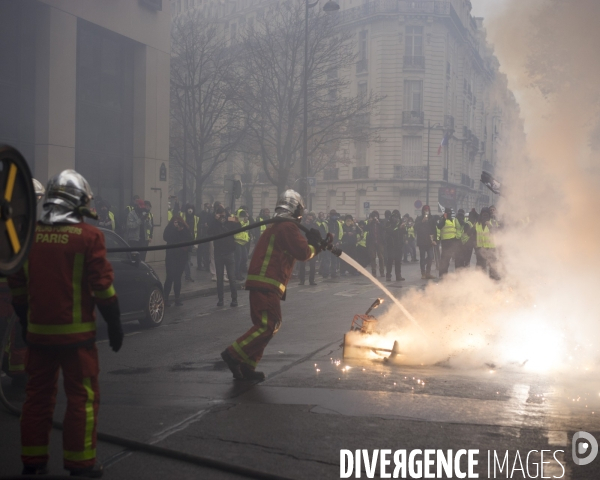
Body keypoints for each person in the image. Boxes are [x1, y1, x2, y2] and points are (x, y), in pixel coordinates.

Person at [8, 170, 123, 477]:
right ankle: (80, 463)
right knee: (81, 400)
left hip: (38, 338)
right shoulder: (89, 237)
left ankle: (32, 463)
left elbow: (17, 286)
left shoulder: (29, 237)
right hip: (77, 341)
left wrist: (24, 320)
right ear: (77, 202)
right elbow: (103, 287)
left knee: (37, 399)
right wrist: (114, 322)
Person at [221, 190, 325, 381]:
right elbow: (303, 253)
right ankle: (233, 355)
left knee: (265, 326)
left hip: (264, 282)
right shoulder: (287, 227)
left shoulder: (279, 225)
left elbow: (296, 249)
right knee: (269, 325)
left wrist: (314, 244)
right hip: (266, 282)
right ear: (296, 209)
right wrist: (317, 247)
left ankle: (247, 366)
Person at [208, 205, 239, 307]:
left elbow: (239, 226)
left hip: (229, 252)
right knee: (220, 278)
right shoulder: (215, 223)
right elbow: (210, 232)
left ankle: (234, 299)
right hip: (219, 253)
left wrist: (232, 217)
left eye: (223, 214)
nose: (222, 216)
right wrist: (215, 220)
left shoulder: (229, 219)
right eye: (219, 214)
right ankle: (221, 300)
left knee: (231, 277)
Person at [163, 215, 192, 307]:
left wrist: (181, 229)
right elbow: (166, 237)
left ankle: (177, 298)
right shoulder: (170, 228)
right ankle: (165, 299)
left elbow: (190, 239)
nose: (177, 224)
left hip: (181, 256)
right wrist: (174, 228)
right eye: (175, 222)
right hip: (171, 256)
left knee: (178, 277)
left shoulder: (185, 229)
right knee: (170, 277)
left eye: (178, 222)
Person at [474, 207, 500, 280]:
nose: (485, 215)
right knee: (481, 268)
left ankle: (493, 282)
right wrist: (475, 247)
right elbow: (474, 235)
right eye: (483, 213)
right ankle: (481, 282)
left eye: (486, 213)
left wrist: (489, 225)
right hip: (480, 249)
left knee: (492, 267)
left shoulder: (493, 222)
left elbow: (496, 232)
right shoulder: (477, 224)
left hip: (491, 248)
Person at [437, 207, 461, 277]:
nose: (449, 214)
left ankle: (456, 274)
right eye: (448, 213)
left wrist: (457, 238)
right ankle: (442, 274)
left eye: (450, 212)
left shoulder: (453, 220)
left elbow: (457, 229)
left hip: (453, 242)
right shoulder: (442, 220)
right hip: (445, 242)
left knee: (455, 259)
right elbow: (439, 226)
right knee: (445, 259)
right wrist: (444, 219)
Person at [415, 205, 437, 279]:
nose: (426, 211)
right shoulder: (419, 218)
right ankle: (423, 273)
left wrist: (435, 240)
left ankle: (428, 272)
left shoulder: (432, 219)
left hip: (429, 241)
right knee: (422, 257)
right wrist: (422, 221)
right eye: (425, 210)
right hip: (422, 241)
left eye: (427, 210)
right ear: (423, 211)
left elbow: (434, 230)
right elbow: (415, 227)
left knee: (431, 256)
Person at [385, 210, 406, 281]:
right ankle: (388, 275)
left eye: (397, 217)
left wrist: (403, 228)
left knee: (398, 261)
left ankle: (398, 275)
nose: (396, 219)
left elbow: (404, 232)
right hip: (391, 245)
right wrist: (398, 228)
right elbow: (390, 231)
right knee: (390, 260)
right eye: (394, 217)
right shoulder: (389, 223)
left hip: (399, 245)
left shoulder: (400, 223)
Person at [299, 212, 318, 285]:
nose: (309, 220)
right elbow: (300, 233)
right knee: (302, 265)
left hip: (312, 247)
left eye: (310, 218)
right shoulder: (302, 225)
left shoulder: (314, 225)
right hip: (304, 246)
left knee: (312, 265)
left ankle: (311, 280)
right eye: (308, 218)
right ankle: (302, 280)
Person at [366, 210, 385, 277]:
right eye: (373, 216)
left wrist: (378, 222)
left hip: (380, 242)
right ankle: (374, 272)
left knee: (381, 257)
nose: (375, 217)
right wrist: (369, 222)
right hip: (372, 242)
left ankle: (382, 272)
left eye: (376, 216)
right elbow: (366, 229)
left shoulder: (380, 222)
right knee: (373, 257)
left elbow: (383, 228)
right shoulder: (370, 223)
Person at [183, 203, 200, 282]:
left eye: (191, 208)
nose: (190, 210)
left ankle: (188, 275)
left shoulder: (196, 218)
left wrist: (196, 242)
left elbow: (197, 230)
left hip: (190, 240)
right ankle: (185, 274)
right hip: (182, 240)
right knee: (184, 259)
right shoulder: (183, 216)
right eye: (189, 208)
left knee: (188, 259)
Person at [234, 209, 250, 281]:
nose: (245, 215)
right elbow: (239, 226)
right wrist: (242, 220)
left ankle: (240, 271)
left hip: (243, 242)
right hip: (237, 241)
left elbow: (246, 228)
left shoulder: (247, 220)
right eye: (243, 214)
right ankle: (237, 274)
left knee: (245, 258)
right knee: (238, 259)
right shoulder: (235, 219)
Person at [197, 203, 212, 271]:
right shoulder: (201, 214)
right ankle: (199, 265)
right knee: (200, 250)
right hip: (201, 234)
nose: (207, 208)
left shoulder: (210, 214)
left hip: (207, 234)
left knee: (206, 251)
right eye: (206, 207)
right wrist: (203, 225)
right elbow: (199, 224)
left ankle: (207, 266)